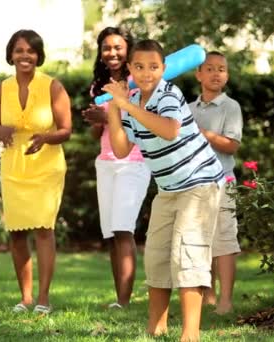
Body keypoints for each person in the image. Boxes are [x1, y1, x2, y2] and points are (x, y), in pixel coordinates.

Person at [102, 39, 224, 341]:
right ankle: (156, 329)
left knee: (188, 252)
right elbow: (120, 149)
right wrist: (116, 110)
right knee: (156, 256)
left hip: (200, 182)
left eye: (153, 67)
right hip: (168, 188)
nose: (146, 73)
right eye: (139, 67)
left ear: (164, 69)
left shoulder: (169, 94)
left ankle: (190, 334)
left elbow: (169, 130)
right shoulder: (130, 103)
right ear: (130, 69)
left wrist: (127, 104)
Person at [0, 29, 72, 315]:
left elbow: (66, 130)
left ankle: (43, 298)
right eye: (19, 50)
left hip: (46, 164)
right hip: (14, 166)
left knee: (44, 230)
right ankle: (25, 298)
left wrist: (46, 137)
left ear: (38, 56)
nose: (25, 56)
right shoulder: (0, 89)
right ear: (11, 54)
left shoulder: (53, 87)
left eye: (31, 51)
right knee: (17, 234)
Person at [81, 27, 151, 309]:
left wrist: (109, 115)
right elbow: (98, 135)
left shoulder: (139, 83)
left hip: (133, 162)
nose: (112, 53)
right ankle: (119, 298)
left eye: (118, 47)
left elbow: (144, 122)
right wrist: (96, 120)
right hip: (106, 163)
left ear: (128, 50)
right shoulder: (98, 87)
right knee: (111, 233)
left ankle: (124, 302)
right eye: (107, 48)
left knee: (123, 230)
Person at [190, 51, 243, 315]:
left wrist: (202, 134)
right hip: (194, 184)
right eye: (209, 69)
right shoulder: (188, 110)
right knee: (200, 241)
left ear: (227, 75)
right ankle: (207, 295)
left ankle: (226, 300)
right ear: (198, 74)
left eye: (221, 69)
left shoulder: (230, 107)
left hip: (222, 182)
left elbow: (232, 145)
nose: (216, 73)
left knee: (224, 241)